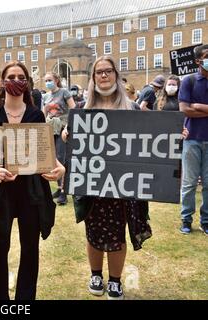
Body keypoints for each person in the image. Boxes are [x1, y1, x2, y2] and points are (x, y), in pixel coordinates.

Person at [63, 56, 152, 300]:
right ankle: (95, 274)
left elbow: (153, 140)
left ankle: (114, 280)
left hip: (122, 187)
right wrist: (67, 133)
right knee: (93, 232)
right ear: (93, 79)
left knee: (118, 233)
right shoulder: (84, 111)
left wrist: (175, 135)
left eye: (108, 71)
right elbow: (75, 142)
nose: (104, 76)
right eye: (99, 72)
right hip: (93, 184)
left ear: (116, 75)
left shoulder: (132, 109)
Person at [0, 61, 65, 300]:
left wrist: (60, 168)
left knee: (30, 248)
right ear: (3, 81)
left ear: (26, 83)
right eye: (10, 76)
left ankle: (25, 299)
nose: (15, 81)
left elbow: (47, 153)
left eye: (20, 77)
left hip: (30, 189)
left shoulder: (36, 114)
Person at [178, 44, 208, 236]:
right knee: (189, 183)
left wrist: (199, 106)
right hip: (192, 139)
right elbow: (184, 109)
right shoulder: (188, 81)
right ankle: (186, 219)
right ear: (198, 60)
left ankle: (206, 221)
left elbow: (192, 108)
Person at [43, 72, 76, 205]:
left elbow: (73, 109)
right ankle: (59, 188)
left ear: (56, 80)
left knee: (61, 158)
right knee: (53, 159)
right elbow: (43, 112)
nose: (47, 83)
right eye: (45, 81)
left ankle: (63, 191)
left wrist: (68, 126)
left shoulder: (64, 92)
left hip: (62, 129)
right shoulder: (45, 96)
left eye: (49, 80)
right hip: (50, 129)